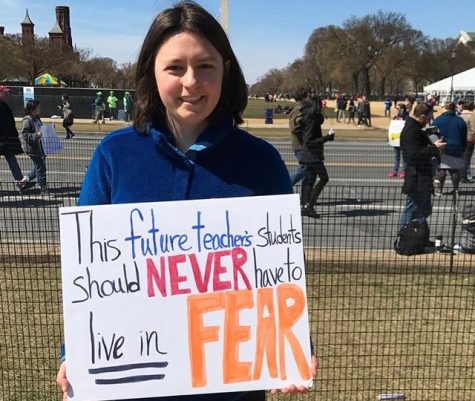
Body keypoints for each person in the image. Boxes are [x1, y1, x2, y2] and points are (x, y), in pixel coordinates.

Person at [56, 2, 318, 401]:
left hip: (232, 391)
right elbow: (89, 280)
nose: (191, 82)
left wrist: (291, 346)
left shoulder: (261, 163)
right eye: (175, 67)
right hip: (134, 386)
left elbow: (276, 274)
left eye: (206, 66)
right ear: (152, 73)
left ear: (225, 71)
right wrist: (74, 353)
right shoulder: (115, 155)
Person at [399, 103, 446, 229]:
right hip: (417, 176)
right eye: (429, 117)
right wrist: (433, 148)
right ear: (423, 116)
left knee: (423, 209)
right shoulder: (412, 130)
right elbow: (412, 155)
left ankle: (418, 235)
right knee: (413, 207)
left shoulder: (415, 129)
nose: (429, 121)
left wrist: (433, 147)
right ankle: (404, 236)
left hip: (422, 175)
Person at [297, 96, 334, 218]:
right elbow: (309, 141)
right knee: (324, 178)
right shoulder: (312, 121)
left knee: (310, 180)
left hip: (308, 154)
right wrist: (326, 138)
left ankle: (305, 205)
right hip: (312, 155)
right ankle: (309, 205)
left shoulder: (309, 119)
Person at [432, 101, 467, 195]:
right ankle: (456, 189)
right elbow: (464, 136)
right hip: (457, 147)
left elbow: (433, 135)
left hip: (442, 147)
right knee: (455, 169)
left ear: (445, 108)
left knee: (441, 169)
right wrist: (464, 147)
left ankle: (439, 189)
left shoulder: (438, 120)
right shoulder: (460, 120)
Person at [0, 85, 28, 192]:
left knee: (12, 160)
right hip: (3, 138)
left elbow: (10, 123)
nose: (7, 94)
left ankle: (20, 182)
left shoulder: (5, 106)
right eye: (5, 92)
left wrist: (13, 136)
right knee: (12, 160)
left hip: (6, 140)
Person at [20, 99, 49, 195]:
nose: (40, 109)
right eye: (38, 107)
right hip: (32, 148)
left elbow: (41, 129)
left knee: (38, 167)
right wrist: (37, 135)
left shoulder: (37, 118)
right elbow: (25, 135)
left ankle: (24, 181)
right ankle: (43, 188)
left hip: (40, 146)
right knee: (41, 167)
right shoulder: (27, 120)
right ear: (33, 109)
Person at [288, 91, 307, 185]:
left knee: (308, 170)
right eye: (306, 97)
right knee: (304, 169)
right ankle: (285, 186)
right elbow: (294, 128)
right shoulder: (298, 111)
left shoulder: (300, 109)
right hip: (299, 144)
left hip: (301, 143)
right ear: (302, 98)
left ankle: (307, 195)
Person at [388, 103, 409, 178]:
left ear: (402, 109)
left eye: (398, 108)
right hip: (396, 140)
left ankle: (403, 171)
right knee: (396, 156)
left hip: (404, 140)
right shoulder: (395, 117)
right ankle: (395, 171)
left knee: (404, 156)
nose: (397, 110)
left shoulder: (406, 117)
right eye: (397, 109)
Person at [459, 101, 475, 182]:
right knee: (467, 158)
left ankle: (463, 174)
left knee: (462, 157)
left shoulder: (460, 116)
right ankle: (464, 176)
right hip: (469, 139)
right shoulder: (471, 116)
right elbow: (473, 129)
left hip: (460, 138)